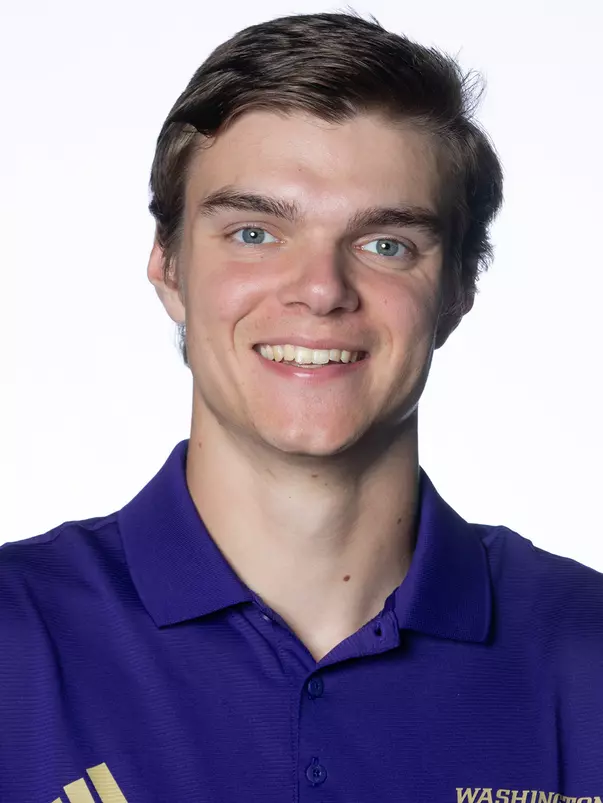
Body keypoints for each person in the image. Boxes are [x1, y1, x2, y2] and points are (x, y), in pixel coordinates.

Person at [1, 11, 602, 803]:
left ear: (458, 288)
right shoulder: (17, 642)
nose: (321, 290)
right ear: (169, 266)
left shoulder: (584, 652)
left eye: (386, 243)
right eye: (253, 232)